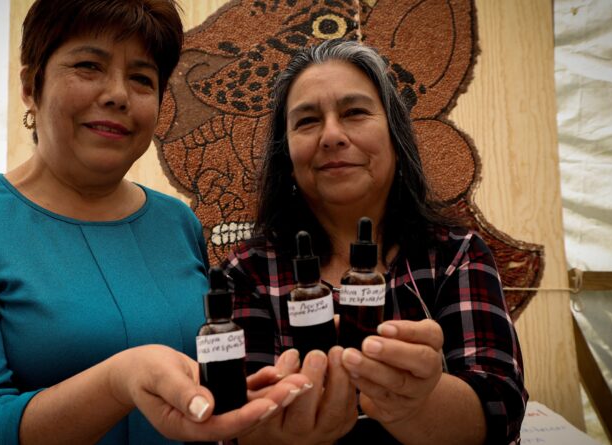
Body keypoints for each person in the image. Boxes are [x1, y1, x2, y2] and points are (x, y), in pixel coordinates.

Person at [0, 1, 310, 444]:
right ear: (31, 86)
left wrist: (250, 409)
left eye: (141, 78)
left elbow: (194, 396)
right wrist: (118, 381)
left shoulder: (175, 222)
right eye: (89, 66)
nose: (118, 94)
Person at [222, 39, 528, 444]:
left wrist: (415, 400)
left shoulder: (456, 254)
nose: (332, 135)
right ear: (287, 156)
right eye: (307, 121)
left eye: (355, 112)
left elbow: (501, 409)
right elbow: (235, 423)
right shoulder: (248, 271)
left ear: (396, 137)